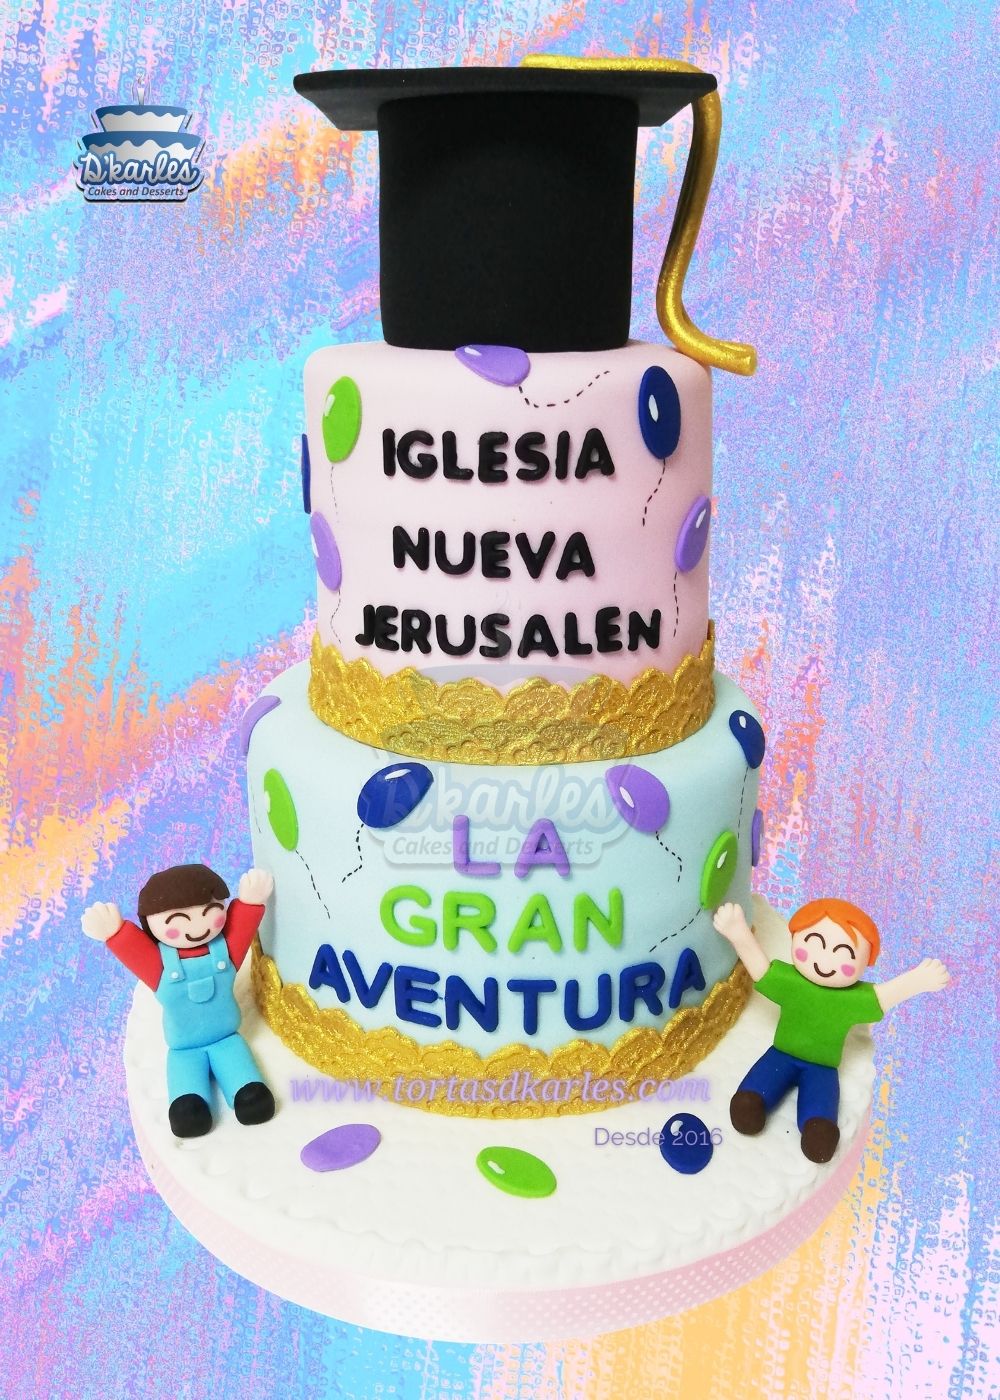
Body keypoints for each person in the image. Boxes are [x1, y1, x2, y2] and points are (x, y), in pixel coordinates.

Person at [713, 897, 949, 1162]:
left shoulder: (851, 999)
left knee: (820, 1119)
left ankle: (817, 1127)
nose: (825, 961)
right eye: (814, 944)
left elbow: (883, 997)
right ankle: (752, 1100)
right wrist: (739, 934)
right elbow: (762, 971)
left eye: (843, 954)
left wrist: (916, 981)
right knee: (750, 1100)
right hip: (781, 1054)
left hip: (822, 1067)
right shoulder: (792, 983)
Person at [82, 863, 276, 1139]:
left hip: (228, 1039)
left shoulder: (225, 954)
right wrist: (115, 932)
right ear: (150, 924)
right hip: (184, 1050)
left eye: (209, 914)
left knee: (253, 1097)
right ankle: (189, 1101)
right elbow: (134, 951)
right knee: (188, 1111)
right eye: (177, 922)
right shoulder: (159, 967)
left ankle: (246, 1089)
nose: (197, 928)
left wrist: (250, 903)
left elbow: (241, 930)